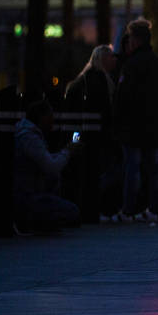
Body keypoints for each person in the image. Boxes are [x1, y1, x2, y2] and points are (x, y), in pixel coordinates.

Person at [112, 18, 158, 224]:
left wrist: (117, 120)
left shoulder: (131, 65)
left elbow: (122, 96)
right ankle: (155, 208)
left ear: (135, 40)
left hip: (132, 125)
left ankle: (129, 209)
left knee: (132, 167)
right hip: (153, 123)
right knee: (155, 167)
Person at [66, 45, 121, 221]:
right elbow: (106, 112)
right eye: (111, 56)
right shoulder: (101, 81)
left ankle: (84, 209)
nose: (114, 59)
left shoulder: (82, 81)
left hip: (82, 134)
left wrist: (75, 138)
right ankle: (96, 209)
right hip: (97, 137)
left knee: (84, 171)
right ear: (103, 59)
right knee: (97, 172)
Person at [13, 97, 80, 233]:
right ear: (41, 117)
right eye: (50, 116)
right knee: (72, 212)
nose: (53, 121)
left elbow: (46, 160)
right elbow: (51, 168)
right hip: (26, 196)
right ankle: (33, 221)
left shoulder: (29, 135)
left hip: (27, 193)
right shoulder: (30, 138)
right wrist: (68, 152)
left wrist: (65, 152)